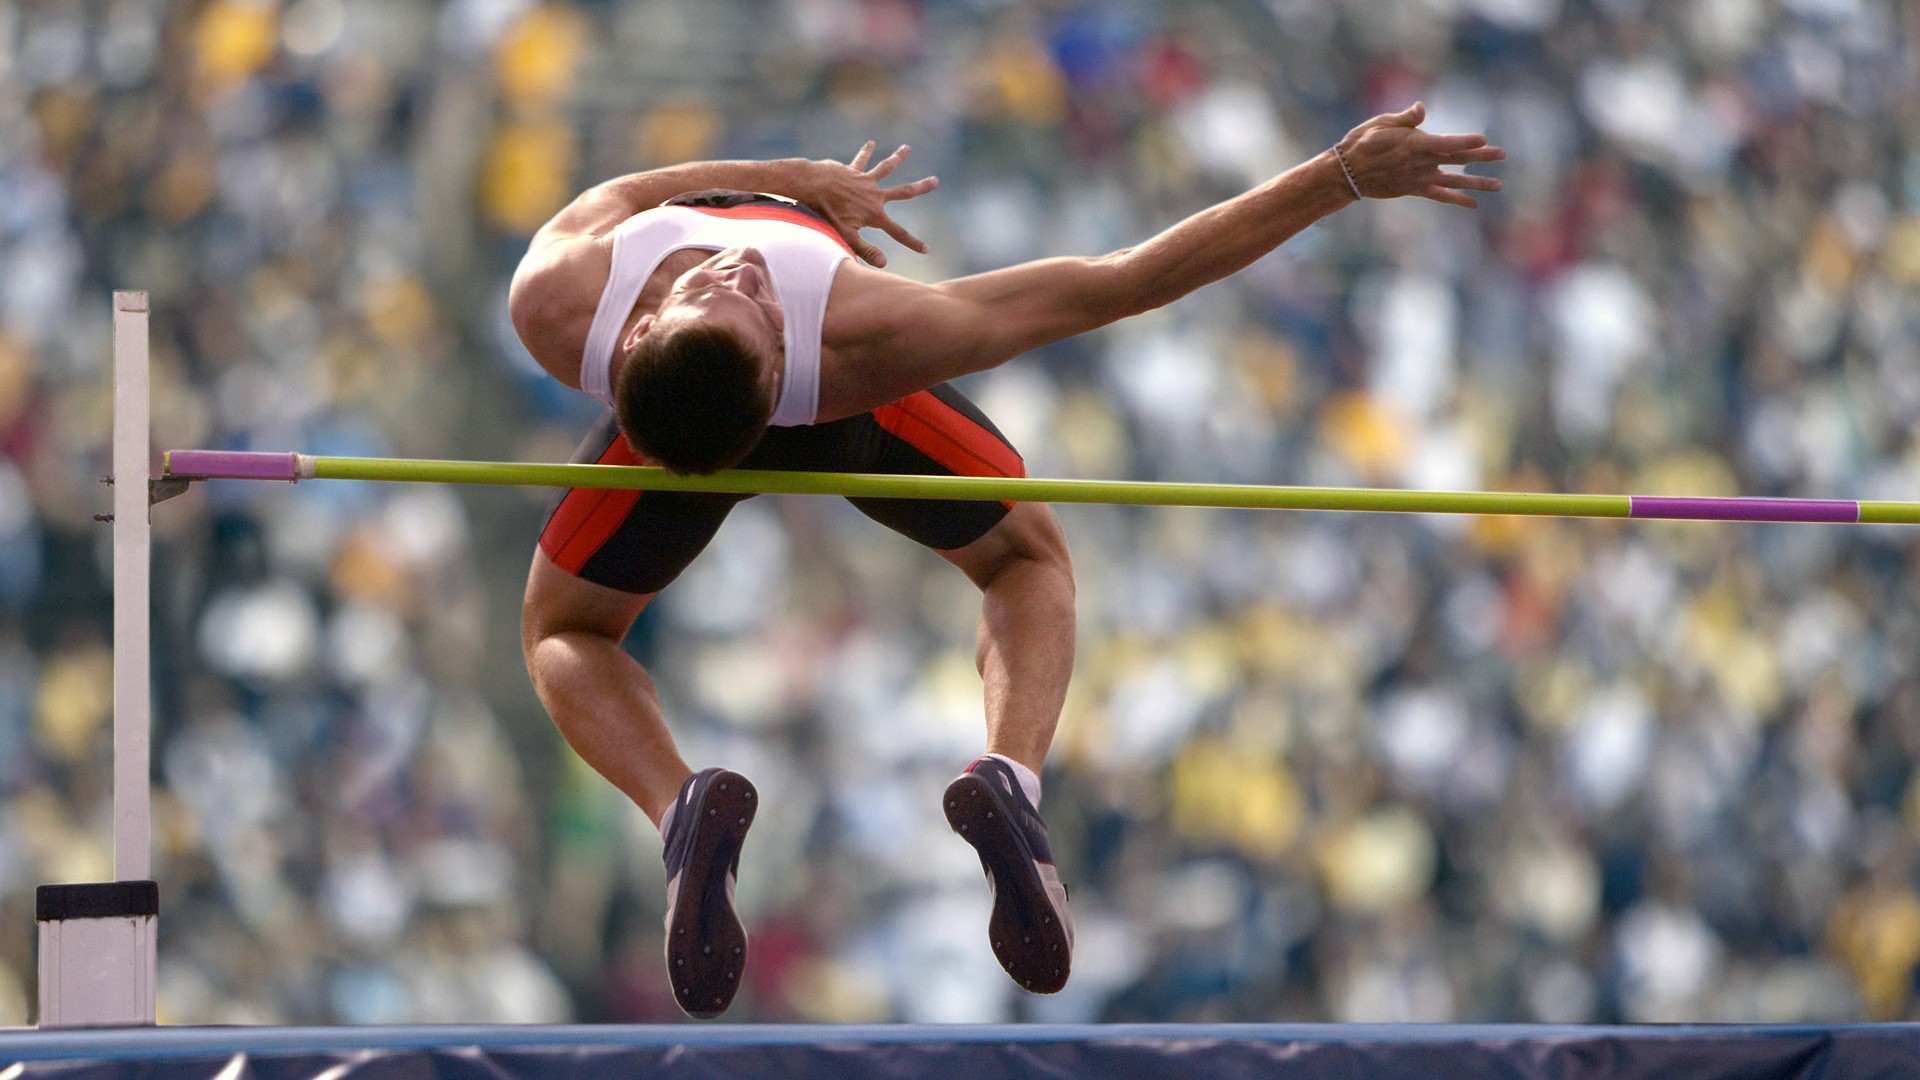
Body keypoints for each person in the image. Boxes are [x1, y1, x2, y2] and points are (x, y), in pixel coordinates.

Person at [509, 102, 1503, 1018]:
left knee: (564, 630)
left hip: (676, 437)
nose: (744, 275)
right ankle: (1012, 778)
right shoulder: (866, 333)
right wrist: (1340, 176)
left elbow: (630, 195)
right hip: (855, 400)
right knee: (1027, 561)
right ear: (774, 371)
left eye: (736, 287)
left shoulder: (556, 301)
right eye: (744, 304)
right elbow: (1123, 279)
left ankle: (680, 806)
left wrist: (788, 175)